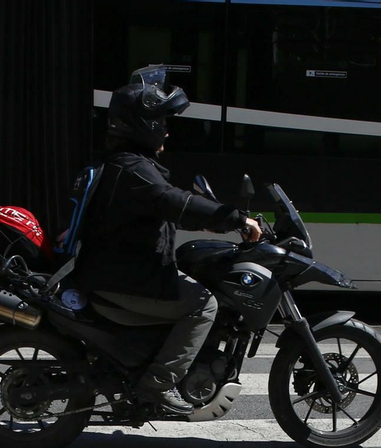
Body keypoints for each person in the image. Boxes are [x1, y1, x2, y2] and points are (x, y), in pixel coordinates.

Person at [74, 66, 262, 415]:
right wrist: (234, 218)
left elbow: (162, 207)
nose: (166, 130)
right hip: (123, 278)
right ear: (142, 124)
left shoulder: (126, 164)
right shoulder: (134, 170)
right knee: (204, 304)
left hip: (113, 269)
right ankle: (159, 382)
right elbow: (173, 200)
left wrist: (207, 224)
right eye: (161, 122)